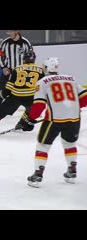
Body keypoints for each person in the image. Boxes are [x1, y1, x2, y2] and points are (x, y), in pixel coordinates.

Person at [20, 57, 87, 188]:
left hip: (54, 120)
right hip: (74, 119)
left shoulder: (43, 81)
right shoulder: (71, 79)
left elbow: (39, 105)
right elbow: (85, 98)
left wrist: (30, 119)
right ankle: (72, 170)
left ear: (46, 68)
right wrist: (73, 107)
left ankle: (38, 174)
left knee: (43, 145)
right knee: (69, 144)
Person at [0, 51, 44, 133]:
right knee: (30, 110)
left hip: (16, 96)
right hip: (31, 97)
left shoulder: (17, 68)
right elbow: (42, 85)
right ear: (34, 59)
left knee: (0, 112)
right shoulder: (41, 70)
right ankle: (21, 124)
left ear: (23, 59)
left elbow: (10, 85)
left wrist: (3, 94)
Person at [0, 30, 33, 116]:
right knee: (0, 89)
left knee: (28, 91)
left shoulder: (25, 42)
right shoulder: (5, 42)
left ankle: (31, 110)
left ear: (17, 32)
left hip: (22, 72)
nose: (8, 33)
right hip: (9, 71)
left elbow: (31, 56)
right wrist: (3, 67)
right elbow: (0, 55)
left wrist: (28, 68)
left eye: (10, 31)